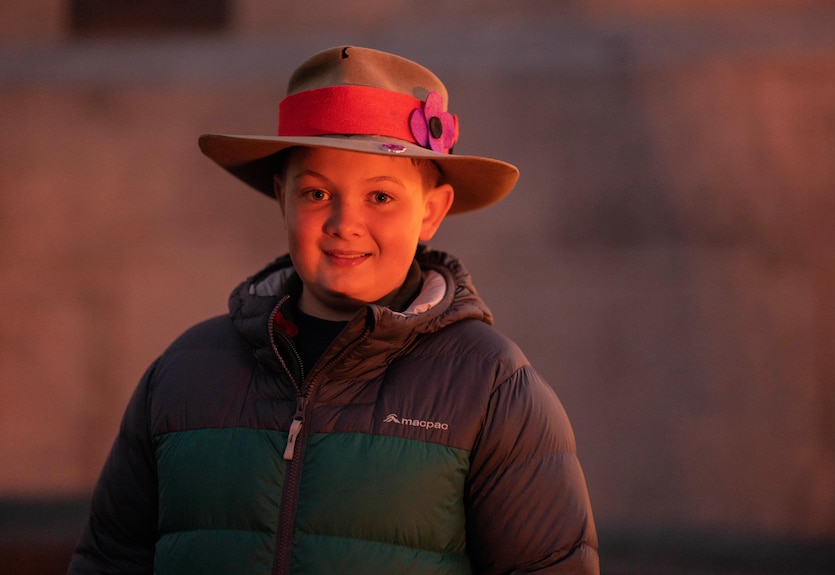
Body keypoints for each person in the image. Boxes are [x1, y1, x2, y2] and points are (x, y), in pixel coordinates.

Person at [68, 46, 599, 574]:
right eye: (317, 194)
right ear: (282, 199)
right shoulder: (182, 377)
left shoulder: (492, 391)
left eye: (381, 198)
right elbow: (108, 560)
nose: (345, 222)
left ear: (431, 212)